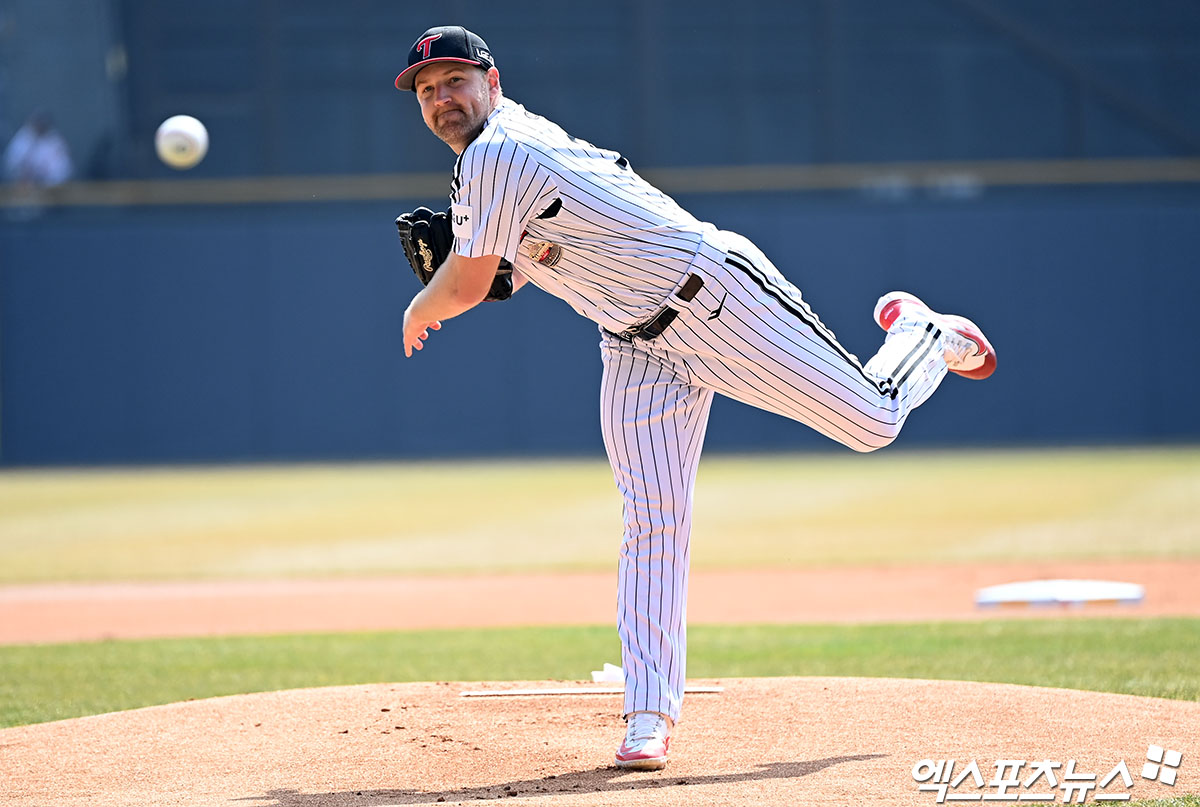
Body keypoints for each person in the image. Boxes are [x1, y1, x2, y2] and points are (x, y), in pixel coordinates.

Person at [395, 25, 995, 771]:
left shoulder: (496, 152)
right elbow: (512, 272)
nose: (441, 98)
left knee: (873, 419)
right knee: (653, 519)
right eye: (426, 90)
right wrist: (475, 274)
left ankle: (922, 334)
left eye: (454, 80)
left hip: (714, 296)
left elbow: (469, 284)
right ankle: (649, 714)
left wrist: (424, 304)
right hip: (635, 344)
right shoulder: (483, 170)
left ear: (493, 81)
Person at [3, 110, 72, 188]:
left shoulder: (55, 141)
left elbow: (63, 170)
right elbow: (10, 163)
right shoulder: (23, 138)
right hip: (21, 188)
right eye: (38, 122)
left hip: (50, 190)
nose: (40, 125)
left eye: (42, 123)